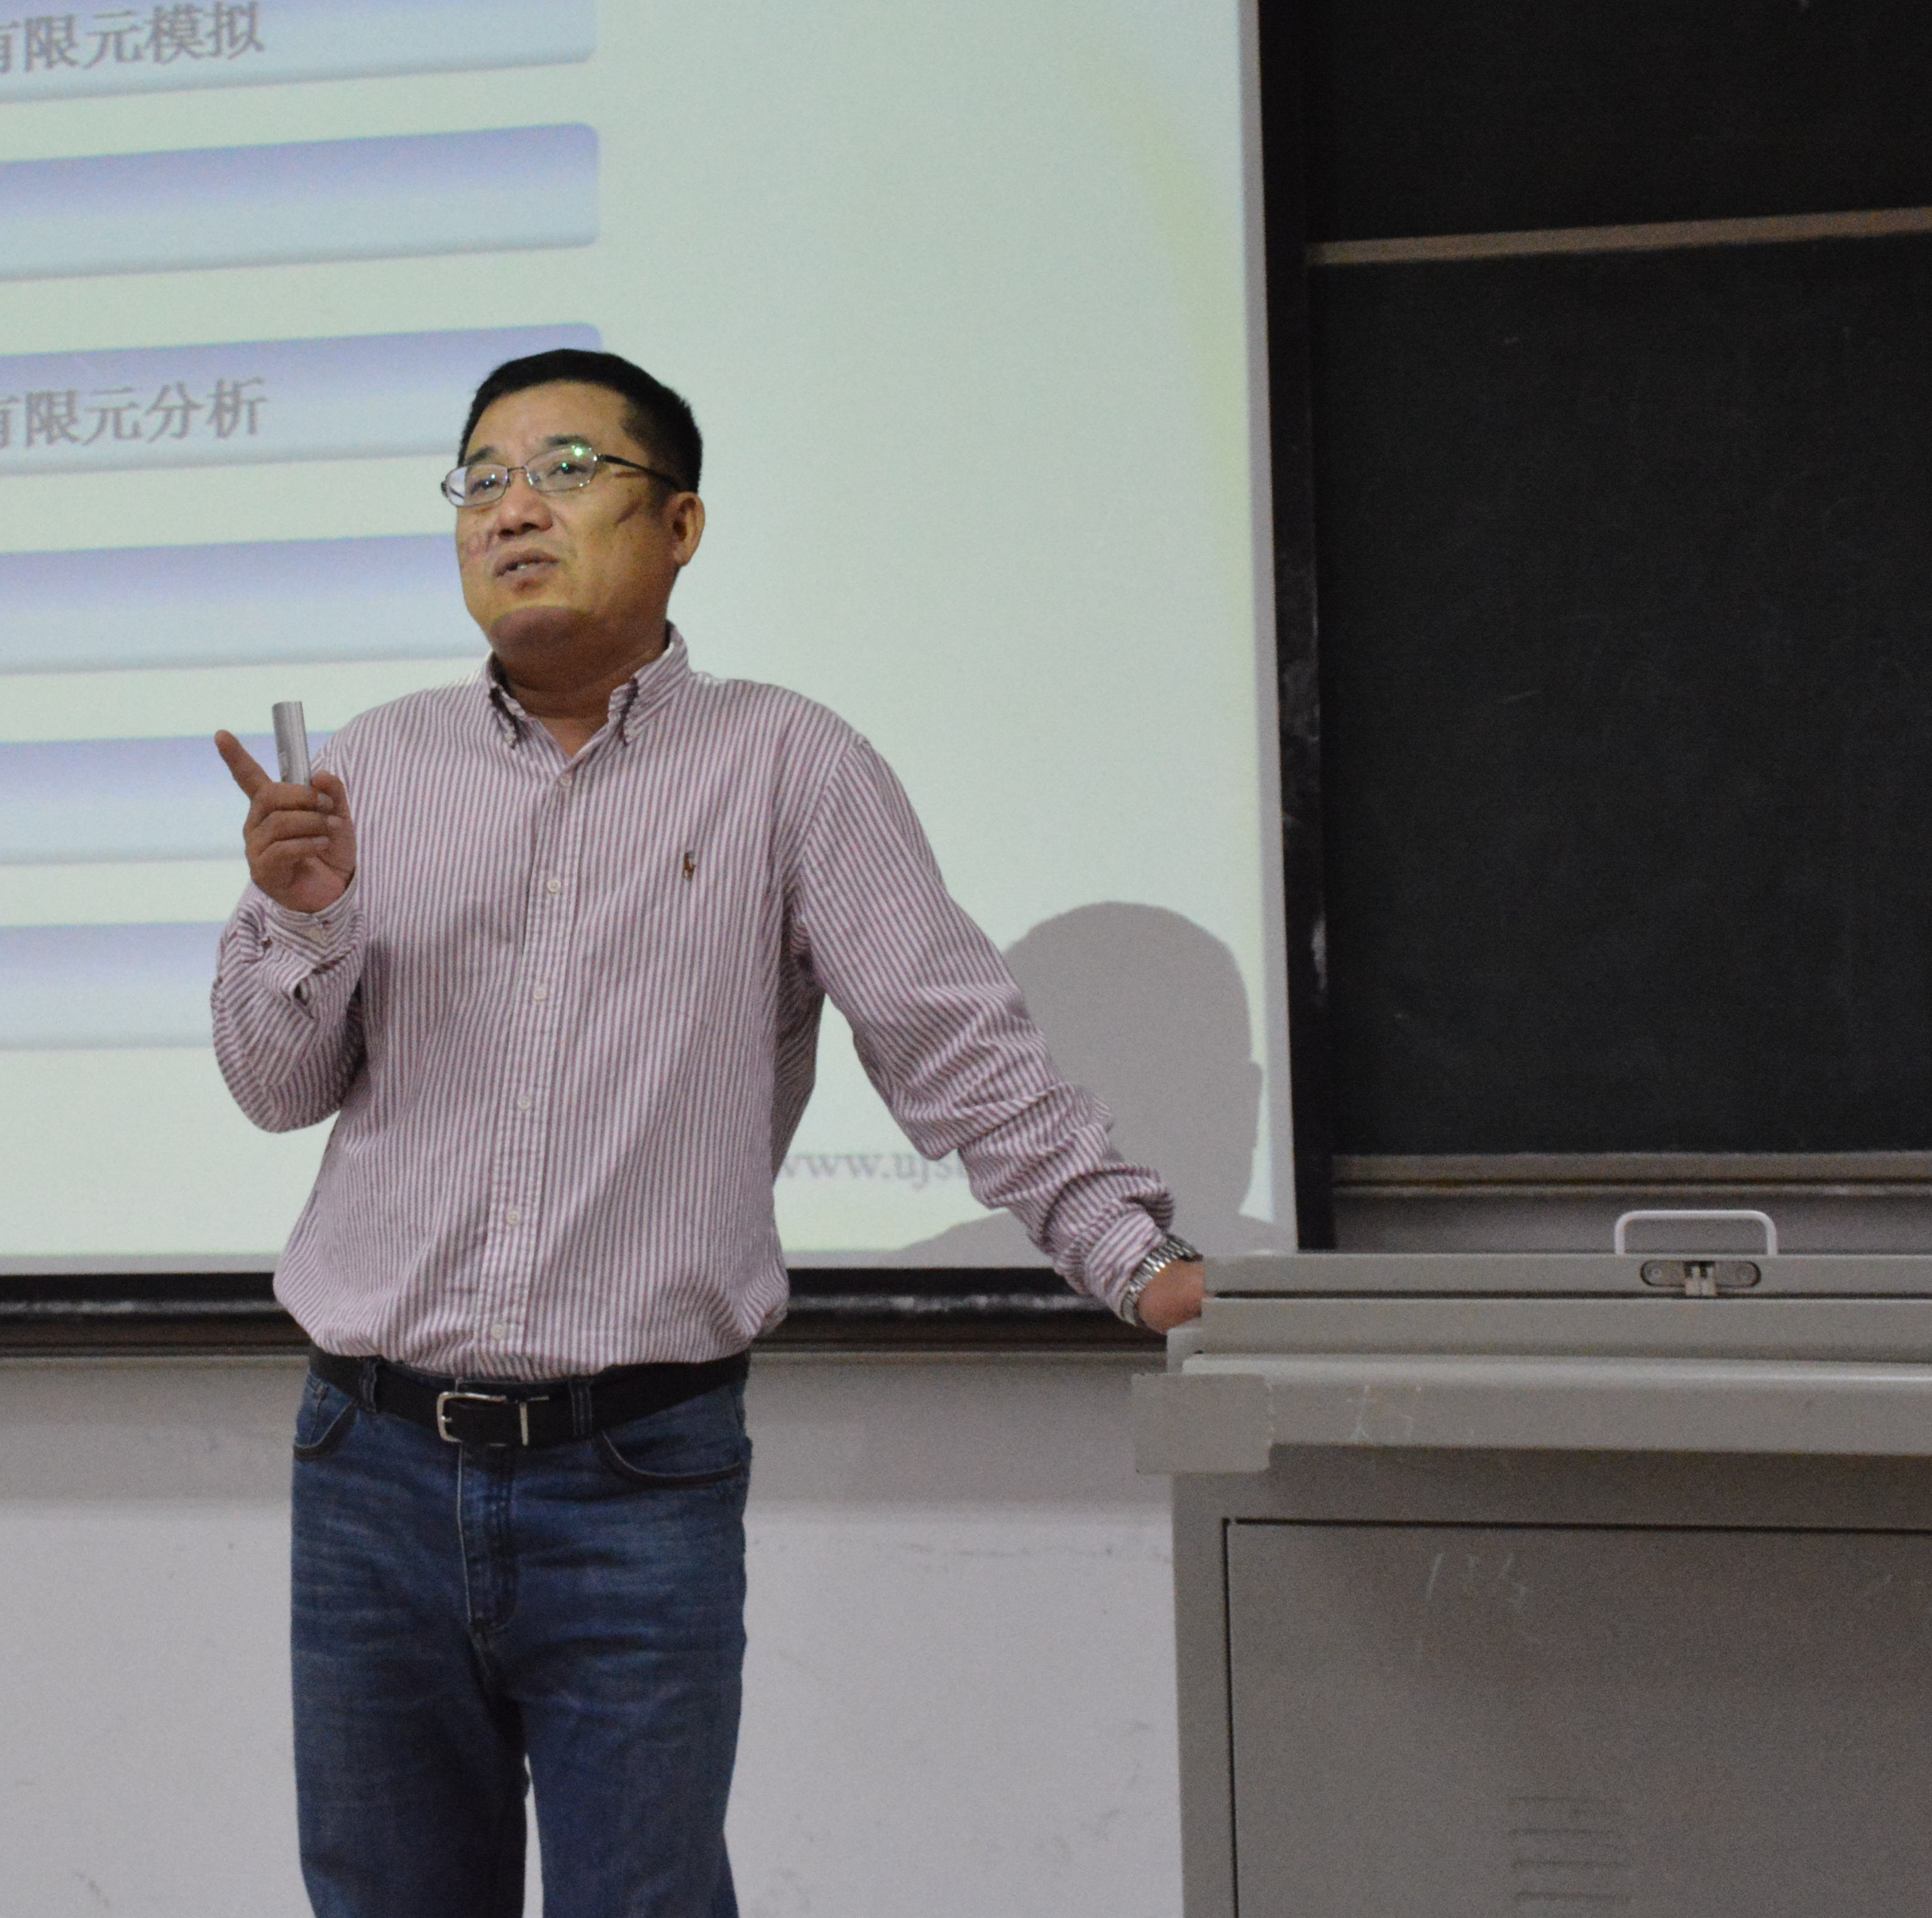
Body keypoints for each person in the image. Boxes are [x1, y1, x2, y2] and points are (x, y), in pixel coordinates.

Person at [210, 348, 1207, 1918]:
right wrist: (300, 914)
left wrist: (1132, 1255)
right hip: (369, 1463)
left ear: (679, 525)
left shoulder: (790, 763)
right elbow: (274, 1085)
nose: (512, 509)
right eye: (482, 478)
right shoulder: (372, 767)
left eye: (565, 470)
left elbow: (951, 1038)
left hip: (636, 1469)